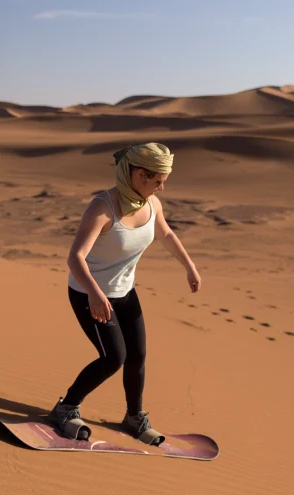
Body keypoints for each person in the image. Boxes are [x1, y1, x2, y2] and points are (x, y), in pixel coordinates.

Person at [49, 142, 201, 446]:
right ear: (140, 175)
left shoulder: (151, 204)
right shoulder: (102, 207)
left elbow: (166, 234)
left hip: (124, 293)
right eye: (158, 181)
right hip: (89, 293)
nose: (161, 188)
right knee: (113, 357)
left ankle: (134, 416)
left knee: (137, 356)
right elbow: (75, 257)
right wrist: (94, 293)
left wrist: (189, 266)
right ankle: (66, 407)